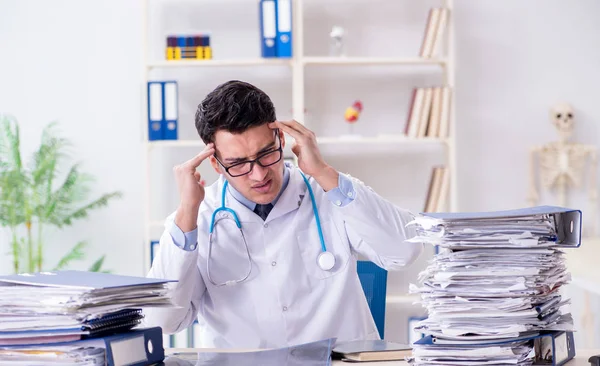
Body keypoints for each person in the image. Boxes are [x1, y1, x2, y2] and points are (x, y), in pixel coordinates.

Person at [145, 80, 423, 349]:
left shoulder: (329, 190)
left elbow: (404, 251)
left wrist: (324, 172)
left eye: (266, 154)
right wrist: (187, 211)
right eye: (238, 163)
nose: (259, 174)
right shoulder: (197, 218)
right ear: (216, 165)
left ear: (280, 138)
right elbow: (164, 321)